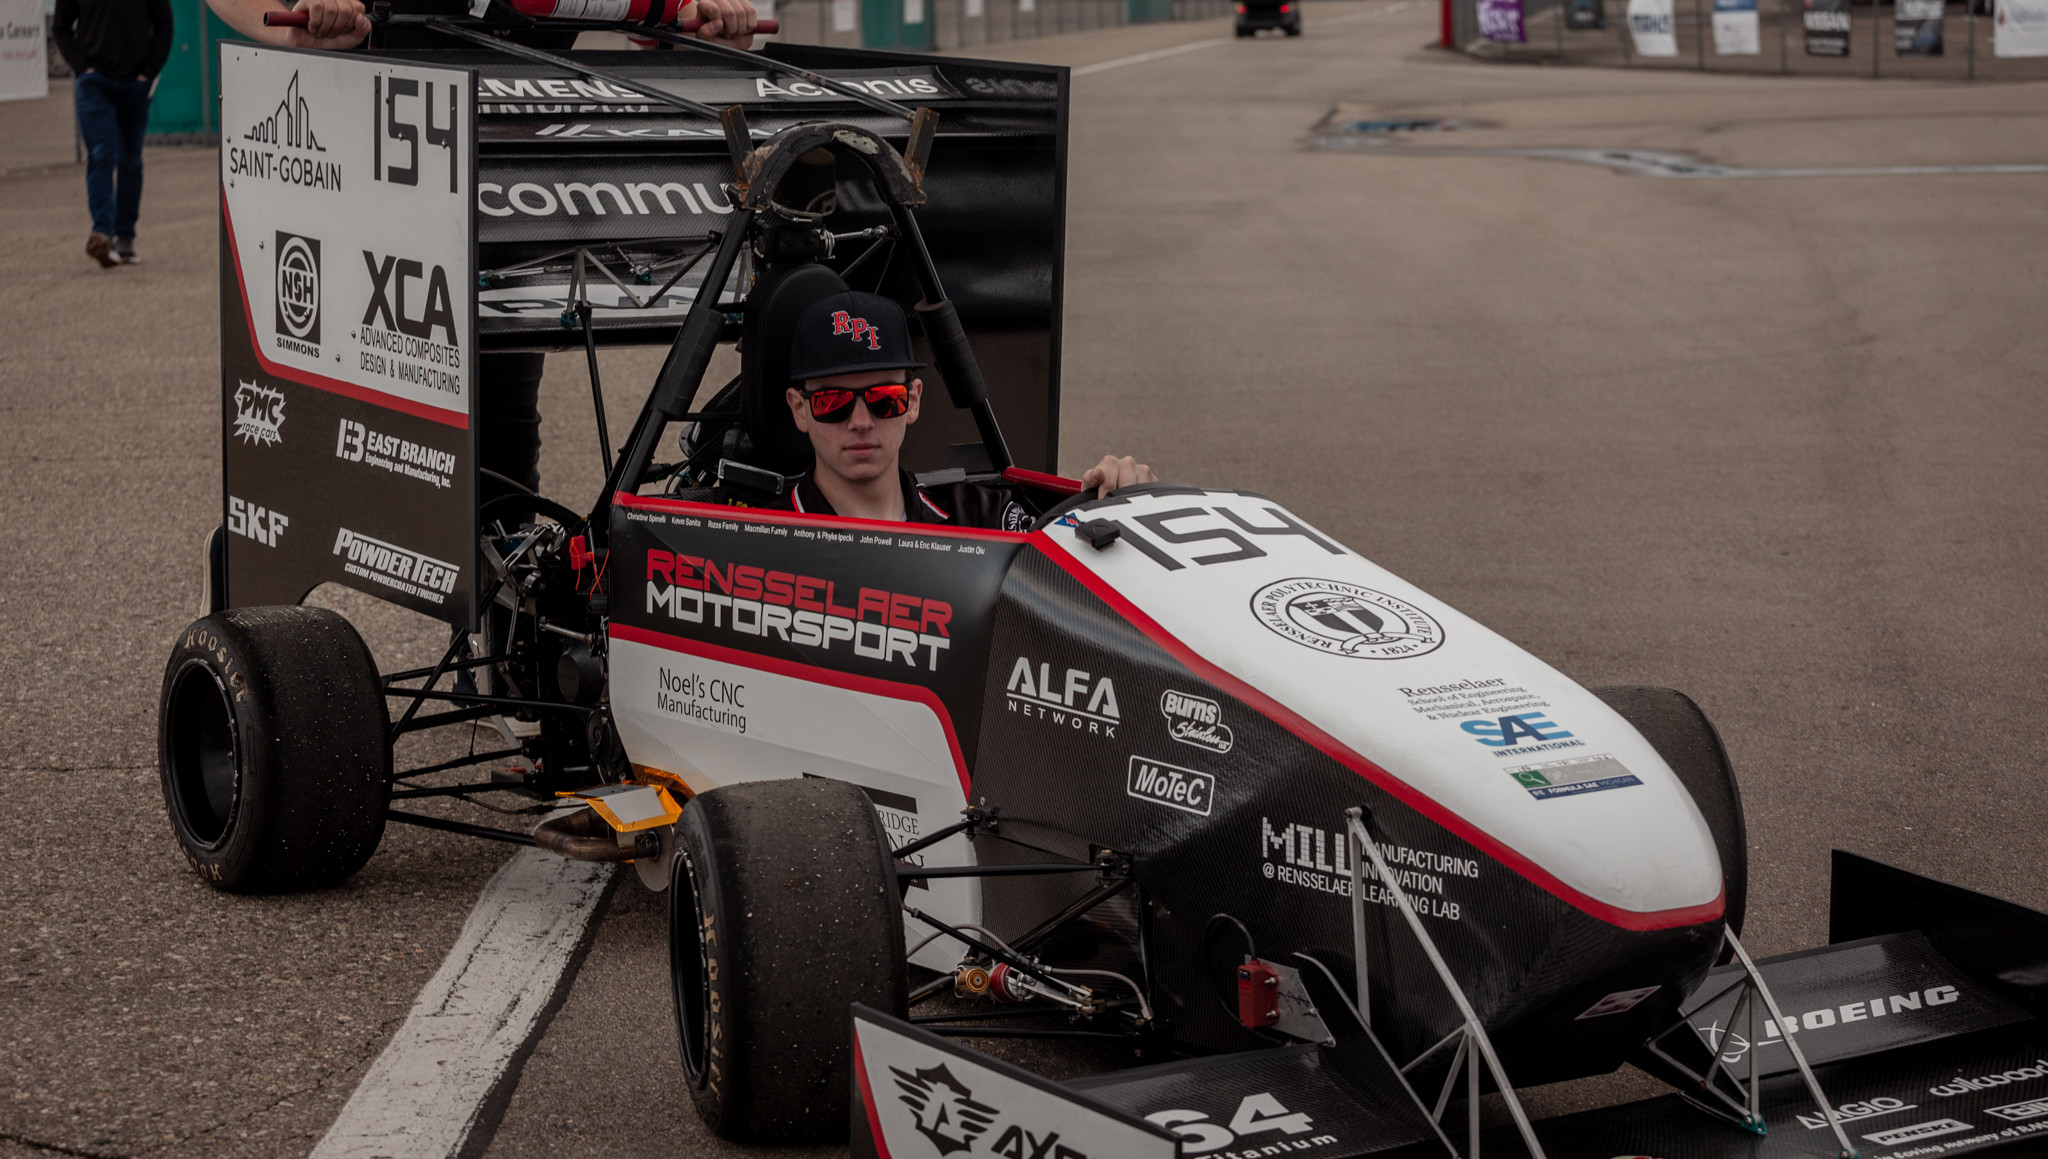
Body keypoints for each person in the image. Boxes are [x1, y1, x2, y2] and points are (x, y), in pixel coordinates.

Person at [202, 0, 760, 500]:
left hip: (507, 174)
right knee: (327, 415)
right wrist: (289, 31)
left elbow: (654, 18)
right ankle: (243, 554)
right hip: (369, 162)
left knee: (502, 420)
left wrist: (704, 19)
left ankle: (507, 594)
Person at [773, 292, 1154, 528]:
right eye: (832, 402)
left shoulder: (979, 517)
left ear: (914, 400)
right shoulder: (757, 540)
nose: (860, 422)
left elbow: (1072, 553)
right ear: (799, 409)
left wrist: (1125, 500)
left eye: (884, 398)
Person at [53, 0, 174, 267]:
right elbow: (60, 27)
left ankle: (125, 239)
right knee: (100, 153)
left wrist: (147, 73)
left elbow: (164, 25)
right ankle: (102, 234)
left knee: (130, 161)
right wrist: (82, 68)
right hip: (94, 84)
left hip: (135, 84)